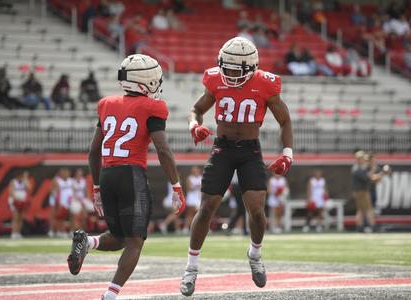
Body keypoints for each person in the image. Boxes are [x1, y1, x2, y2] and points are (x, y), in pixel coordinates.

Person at [180, 37, 293, 296]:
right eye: (226, 67)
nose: (229, 74)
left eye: (235, 70)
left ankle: (255, 254)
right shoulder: (215, 79)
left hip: (250, 151)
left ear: (251, 67)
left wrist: (288, 154)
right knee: (206, 207)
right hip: (222, 148)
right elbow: (196, 109)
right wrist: (193, 126)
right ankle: (191, 268)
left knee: (255, 210)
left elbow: (285, 121)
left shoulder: (265, 84)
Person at [66, 54, 186, 300]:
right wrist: (176, 185)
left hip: (108, 174)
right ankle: (111, 295)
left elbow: (93, 151)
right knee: (135, 241)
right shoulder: (154, 107)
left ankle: (87, 243)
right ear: (145, 82)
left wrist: (97, 187)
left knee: (120, 237)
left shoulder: (106, 103)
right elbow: (163, 150)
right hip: (131, 175)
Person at [50, 168, 74, 238]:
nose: (65, 174)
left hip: (70, 201)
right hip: (62, 201)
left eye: (67, 173)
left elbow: (73, 190)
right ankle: (60, 231)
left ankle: (71, 231)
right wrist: (57, 201)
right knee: (60, 217)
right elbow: (55, 191)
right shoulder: (57, 180)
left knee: (72, 216)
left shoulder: (71, 180)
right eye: (64, 173)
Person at [8, 171, 31, 239]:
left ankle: (18, 233)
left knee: (20, 218)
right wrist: (17, 200)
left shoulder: (24, 181)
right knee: (15, 218)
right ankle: (13, 233)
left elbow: (29, 188)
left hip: (22, 202)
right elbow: (11, 192)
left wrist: (26, 179)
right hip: (15, 201)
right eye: (23, 175)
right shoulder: (13, 181)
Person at [183, 166, 202, 234]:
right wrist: (197, 186)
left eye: (196, 170)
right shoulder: (189, 178)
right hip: (191, 199)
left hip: (199, 199)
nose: (195, 172)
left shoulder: (202, 178)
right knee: (190, 215)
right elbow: (189, 188)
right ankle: (185, 228)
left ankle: (201, 229)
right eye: (193, 170)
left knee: (201, 214)